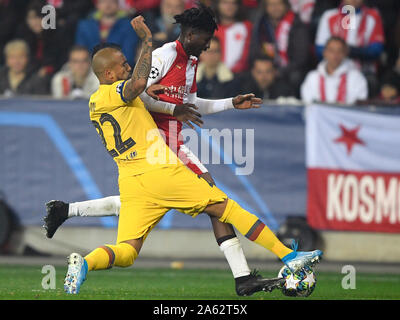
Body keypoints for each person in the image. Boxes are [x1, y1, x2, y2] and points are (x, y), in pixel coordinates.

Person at [59, 12, 322, 296]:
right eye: (207, 40)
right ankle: (288, 256)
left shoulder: (102, 100)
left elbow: (168, 97)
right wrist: (148, 44)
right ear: (190, 35)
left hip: (133, 177)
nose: (209, 46)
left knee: (127, 251)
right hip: (161, 159)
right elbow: (138, 86)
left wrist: (229, 103)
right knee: (225, 207)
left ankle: (84, 262)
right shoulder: (156, 61)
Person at [315, 0, 385, 88]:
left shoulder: (373, 16)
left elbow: (376, 51)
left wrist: (347, 51)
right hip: (333, 70)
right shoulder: (329, 16)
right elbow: (320, 50)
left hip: (363, 72)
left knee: (370, 82)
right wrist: (341, 53)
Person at [250, 0, 311, 93]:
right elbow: (255, 50)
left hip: (289, 70)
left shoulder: (296, 23)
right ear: (265, 7)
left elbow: (301, 58)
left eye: (279, 4)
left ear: (286, 5)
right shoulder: (262, 24)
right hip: (267, 66)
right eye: (271, 4)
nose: (275, 8)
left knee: (295, 76)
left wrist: (279, 72)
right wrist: (265, 69)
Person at [301, 36, 368, 105]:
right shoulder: (312, 77)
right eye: (331, 51)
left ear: (345, 54)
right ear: (324, 53)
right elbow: (308, 104)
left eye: (339, 51)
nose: (335, 55)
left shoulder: (356, 78)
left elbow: (359, 105)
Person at [75, 0, 139, 67]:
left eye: (111, 1)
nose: (107, 5)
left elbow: (129, 56)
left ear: (118, 4)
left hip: (118, 70)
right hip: (89, 69)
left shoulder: (129, 25)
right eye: (103, 1)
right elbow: (80, 51)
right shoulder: (84, 25)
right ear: (97, 4)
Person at [213, 0, 253, 74]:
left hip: (242, 76)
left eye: (233, 3)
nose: (229, 6)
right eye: (225, 3)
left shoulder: (247, 27)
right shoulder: (210, 29)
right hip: (216, 77)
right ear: (217, 5)